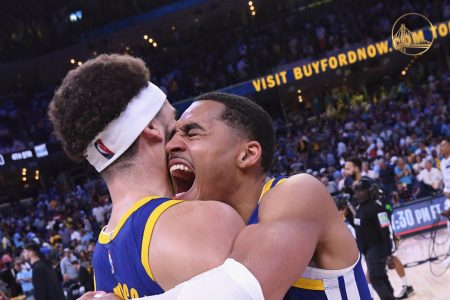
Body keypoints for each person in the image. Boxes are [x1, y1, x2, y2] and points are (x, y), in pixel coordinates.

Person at [57, 55, 366, 299]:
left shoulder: (102, 258)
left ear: (247, 153)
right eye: (175, 125)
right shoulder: (203, 220)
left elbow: (238, 291)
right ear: (151, 129)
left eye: (191, 132)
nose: (176, 142)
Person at [353, 178, 396, 300]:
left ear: (369, 191)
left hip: (377, 249)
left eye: (361, 190)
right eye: (357, 191)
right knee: (381, 277)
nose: (358, 193)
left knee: (376, 279)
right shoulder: (360, 207)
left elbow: (385, 230)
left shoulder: (377, 207)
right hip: (368, 252)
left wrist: (388, 254)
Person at [439, 137, 450, 267]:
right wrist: (445, 190)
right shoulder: (442, 162)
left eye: (443, 145)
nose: (441, 148)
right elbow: (446, 180)